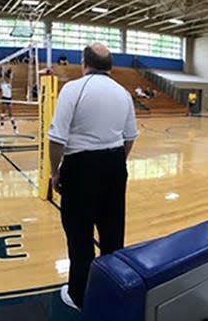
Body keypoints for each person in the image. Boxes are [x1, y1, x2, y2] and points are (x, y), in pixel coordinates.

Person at [48, 42, 138, 310]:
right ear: (109, 66)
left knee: (79, 235)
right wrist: (115, 163)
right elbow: (130, 137)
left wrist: (55, 172)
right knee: (112, 233)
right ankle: (113, 292)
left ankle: (79, 295)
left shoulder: (73, 89)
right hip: (114, 165)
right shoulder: (123, 93)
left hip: (80, 167)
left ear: (84, 63)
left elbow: (56, 139)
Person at [0, 68, 18, 133]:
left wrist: (11, 72)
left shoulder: (9, 84)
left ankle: (14, 127)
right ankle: (2, 125)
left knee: (10, 114)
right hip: (4, 98)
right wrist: (1, 69)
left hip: (9, 99)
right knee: (3, 112)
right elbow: (1, 77)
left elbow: (11, 78)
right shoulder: (2, 84)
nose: (7, 79)